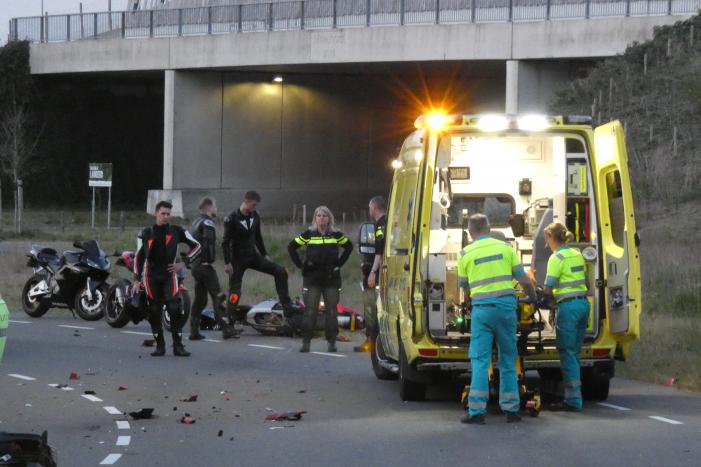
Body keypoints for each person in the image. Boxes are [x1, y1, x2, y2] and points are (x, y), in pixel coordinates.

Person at [458, 214, 537, 425]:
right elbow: (524, 279)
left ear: (469, 231)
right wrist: (534, 297)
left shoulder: (465, 253)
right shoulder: (506, 249)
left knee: (480, 360)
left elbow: (464, 287)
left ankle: (476, 412)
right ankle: (511, 410)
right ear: (489, 228)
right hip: (506, 310)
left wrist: (469, 302)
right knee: (508, 358)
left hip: (482, 312)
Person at [133, 201, 201, 357]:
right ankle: (160, 345)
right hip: (151, 276)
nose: (165, 216)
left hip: (170, 275)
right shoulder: (146, 233)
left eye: (168, 214)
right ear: (156, 213)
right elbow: (139, 256)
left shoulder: (177, 231)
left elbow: (197, 246)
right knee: (154, 311)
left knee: (174, 308)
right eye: (163, 213)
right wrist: (136, 279)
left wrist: (183, 263)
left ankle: (178, 345)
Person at [288, 206, 353, 353]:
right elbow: (291, 247)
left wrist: (339, 264)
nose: (321, 218)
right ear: (315, 218)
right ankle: (306, 341)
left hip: (331, 279)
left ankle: (331, 341)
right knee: (310, 310)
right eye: (318, 215)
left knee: (331, 311)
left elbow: (349, 247)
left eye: (324, 216)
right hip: (312, 279)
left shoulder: (336, 235)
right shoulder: (309, 234)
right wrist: (301, 266)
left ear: (329, 218)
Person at [222, 191, 293, 325]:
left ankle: (287, 307)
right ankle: (229, 323)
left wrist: (265, 254)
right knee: (235, 291)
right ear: (246, 201)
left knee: (280, 271)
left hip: (253, 256)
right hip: (237, 260)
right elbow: (225, 243)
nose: (255, 208)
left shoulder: (255, 216)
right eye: (253, 205)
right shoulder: (231, 218)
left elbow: (258, 237)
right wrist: (227, 263)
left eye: (256, 206)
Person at [542, 222, 590, 412]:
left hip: (569, 308)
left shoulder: (556, 258)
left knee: (567, 353)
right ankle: (575, 395)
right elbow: (582, 280)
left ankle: (573, 400)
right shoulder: (577, 254)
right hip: (583, 305)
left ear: (552, 238)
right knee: (575, 352)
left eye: (547, 239)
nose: (547, 243)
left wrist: (547, 301)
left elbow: (547, 289)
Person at [188, 197, 237, 341]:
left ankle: (194, 331)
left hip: (196, 266)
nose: (216, 209)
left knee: (200, 300)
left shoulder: (195, 222)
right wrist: (208, 261)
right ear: (209, 208)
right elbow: (208, 244)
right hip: (204, 265)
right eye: (215, 206)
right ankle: (226, 328)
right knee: (218, 296)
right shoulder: (208, 223)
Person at [354, 196, 386, 352]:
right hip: (388, 274)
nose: (369, 210)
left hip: (379, 273)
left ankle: (371, 341)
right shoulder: (390, 222)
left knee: (371, 308)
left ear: (374, 207)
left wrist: (373, 272)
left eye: (369, 207)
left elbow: (380, 250)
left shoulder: (380, 225)